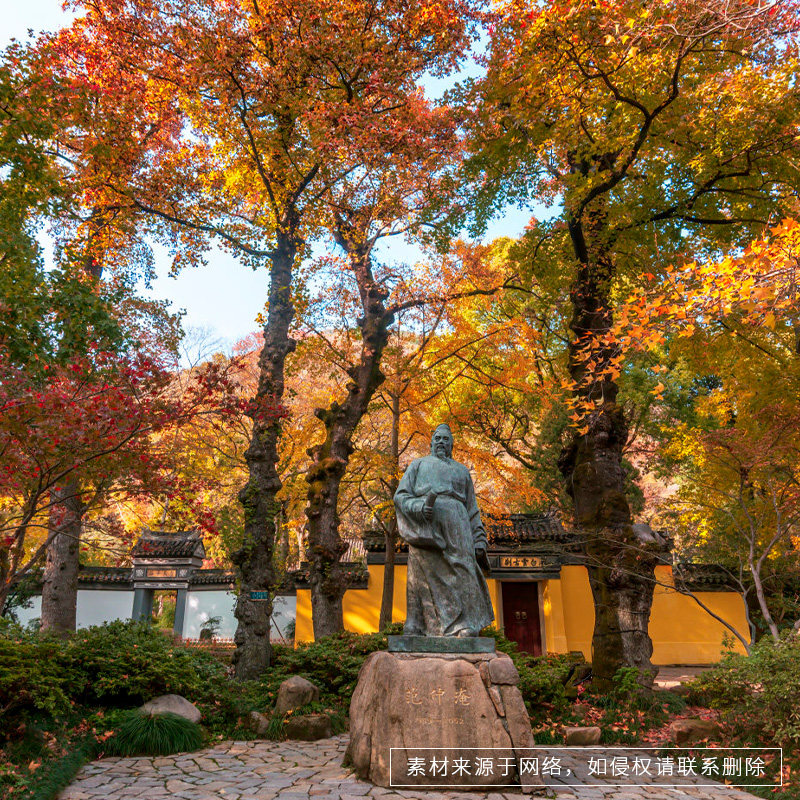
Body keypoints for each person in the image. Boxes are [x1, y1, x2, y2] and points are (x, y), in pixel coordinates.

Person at [394, 424, 494, 637]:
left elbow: (472, 509)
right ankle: (421, 627)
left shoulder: (462, 471)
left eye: (445, 439)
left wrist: (479, 539)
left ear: (451, 444)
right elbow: (400, 496)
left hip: (458, 525)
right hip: (427, 525)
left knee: (463, 569)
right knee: (422, 573)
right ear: (431, 443)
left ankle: (466, 623)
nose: (441, 442)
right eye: (437, 438)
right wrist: (420, 508)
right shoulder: (418, 465)